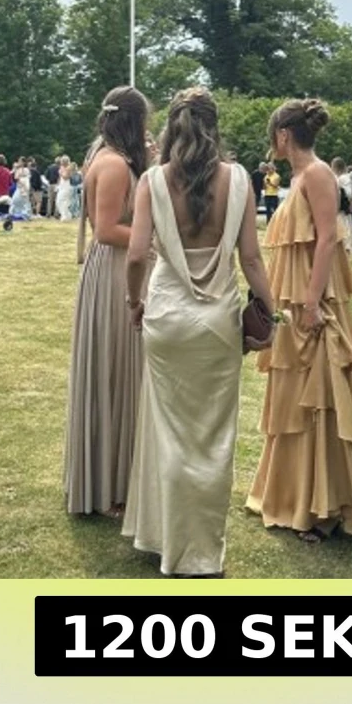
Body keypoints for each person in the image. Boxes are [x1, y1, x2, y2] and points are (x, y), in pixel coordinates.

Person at [122, 88, 275, 576]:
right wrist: (270, 314)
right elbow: (251, 258)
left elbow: (136, 254)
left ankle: (165, 541)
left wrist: (134, 303)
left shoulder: (152, 180)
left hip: (167, 318)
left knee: (169, 434)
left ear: (172, 126)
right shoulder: (240, 180)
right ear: (215, 126)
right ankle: (203, 555)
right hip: (218, 326)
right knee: (212, 440)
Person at [246, 99, 352, 542]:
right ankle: (292, 494)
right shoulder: (301, 177)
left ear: (284, 135)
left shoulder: (318, 174)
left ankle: (325, 507)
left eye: (272, 136)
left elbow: (326, 239)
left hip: (313, 302)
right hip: (295, 302)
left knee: (321, 398)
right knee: (293, 399)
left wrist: (312, 302)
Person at [64, 87, 151, 516]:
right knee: (115, 370)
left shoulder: (102, 156)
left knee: (117, 370)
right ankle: (111, 486)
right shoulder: (114, 164)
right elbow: (106, 229)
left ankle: (112, 478)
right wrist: (153, 239)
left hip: (110, 269)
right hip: (115, 270)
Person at [332, 157, 352, 253]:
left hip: (341, 208)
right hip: (339, 208)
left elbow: (348, 193)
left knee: (345, 229)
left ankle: (346, 248)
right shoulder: (338, 178)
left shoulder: (343, 178)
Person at [56, 156, 75, 221]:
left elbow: (66, 177)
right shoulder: (62, 167)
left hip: (66, 185)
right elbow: (60, 178)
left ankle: (65, 215)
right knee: (59, 201)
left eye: (62, 161)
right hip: (62, 185)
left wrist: (61, 173)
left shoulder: (68, 168)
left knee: (62, 200)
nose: (61, 163)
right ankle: (67, 215)